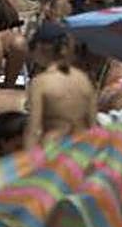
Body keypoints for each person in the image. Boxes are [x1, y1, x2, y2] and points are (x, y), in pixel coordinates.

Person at [24, 22, 97, 150]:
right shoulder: (83, 79)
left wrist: (27, 163)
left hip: (54, 152)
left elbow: (34, 130)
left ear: (41, 47)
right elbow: (92, 124)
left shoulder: (40, 82)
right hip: (83, 150)